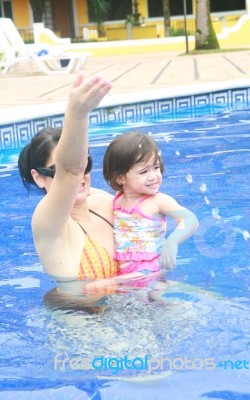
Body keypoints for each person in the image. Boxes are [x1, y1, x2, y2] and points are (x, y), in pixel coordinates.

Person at [18, 74, 118, 301]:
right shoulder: (47, 223)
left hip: (127, 307)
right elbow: (71, 171)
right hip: (81, 322)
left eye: (87, 165)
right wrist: (77, 114)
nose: (79, 176)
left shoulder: (103, 201)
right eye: (56, 172)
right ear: (39, 177)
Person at [102, 131, 199, 287]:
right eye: (144, 171)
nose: (153, 176)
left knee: (100, 287)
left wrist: (172, 243)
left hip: (151, 270)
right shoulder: (117, 200)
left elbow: (191, 220)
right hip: (128, 271)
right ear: (121, 178)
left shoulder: (157, 201)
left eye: (156, 167)